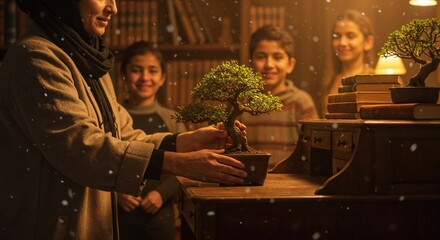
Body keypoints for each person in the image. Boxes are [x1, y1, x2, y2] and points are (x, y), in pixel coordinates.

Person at [0, 1, 247, 239]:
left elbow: (124, 137)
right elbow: (82, 147)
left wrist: (184, 140)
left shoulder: (89, 60)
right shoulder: (34, 57)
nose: (113, 8)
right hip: (50, 228)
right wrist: (180, 164)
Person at [116, 41, 186, 240]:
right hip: (118, 215)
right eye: (136, 70)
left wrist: (161, 194)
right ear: (124, 75)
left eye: (152, 71)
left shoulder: (173, 120)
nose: (145, 78)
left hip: (160, 214)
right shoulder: (114, 117)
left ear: (162, 78)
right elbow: (100, 161)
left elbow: (185, 168)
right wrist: (116, 194)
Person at [240, 25, 319, 169]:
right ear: (250, 63)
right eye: (261, 57)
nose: (269, 64)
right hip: (246, 181)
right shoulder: (239, 103)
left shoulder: (301, 102)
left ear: (290, 64)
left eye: (277, 57)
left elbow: (315, 151)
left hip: (290, 185)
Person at [320, 9, 375, 116]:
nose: (342, 42)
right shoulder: (327, 81)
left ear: (368, 42)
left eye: (350, 36)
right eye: (337, 36)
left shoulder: (380, 80)